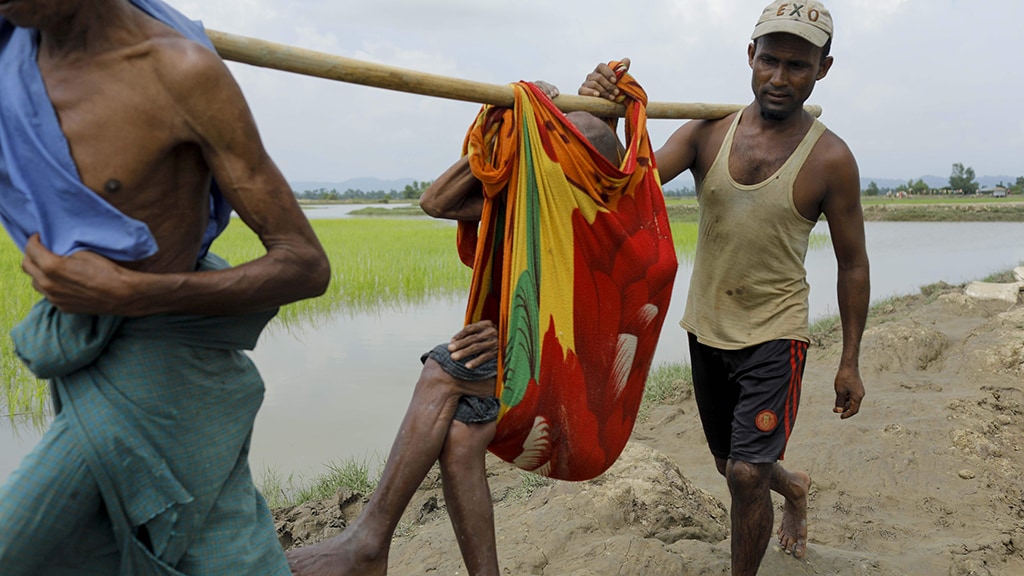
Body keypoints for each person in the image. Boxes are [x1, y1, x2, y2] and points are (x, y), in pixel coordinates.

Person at [0, 0, 329, 574]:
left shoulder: (179, 72)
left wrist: (134, 294)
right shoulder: (11, 58)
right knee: (222, 548)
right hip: (84, 359)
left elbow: (304, 264)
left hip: (167, 362)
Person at [579, 1, 869, 574]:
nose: (779, 78)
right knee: (729, 464)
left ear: (823, 69)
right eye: (770, 61)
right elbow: (627, 185)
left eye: (798, 66)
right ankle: (794, 486)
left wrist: (850, 361)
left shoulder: (831, 159)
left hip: (775, 335)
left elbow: (853, 264)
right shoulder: (707, 134)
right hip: (707, 327)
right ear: (750, 56)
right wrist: (601, 115)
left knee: (745, 473)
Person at [285, 103, 626, 576]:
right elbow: (436, 202)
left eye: (558, 152)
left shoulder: (605, 223)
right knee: (462, 436)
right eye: (546, 147)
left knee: (444, 369)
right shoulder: (525, 206)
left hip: (575, 383)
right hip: (528, 361)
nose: (546, 162)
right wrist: (510, 125)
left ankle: (367, 543)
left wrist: (516, 335)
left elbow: (592, 327)